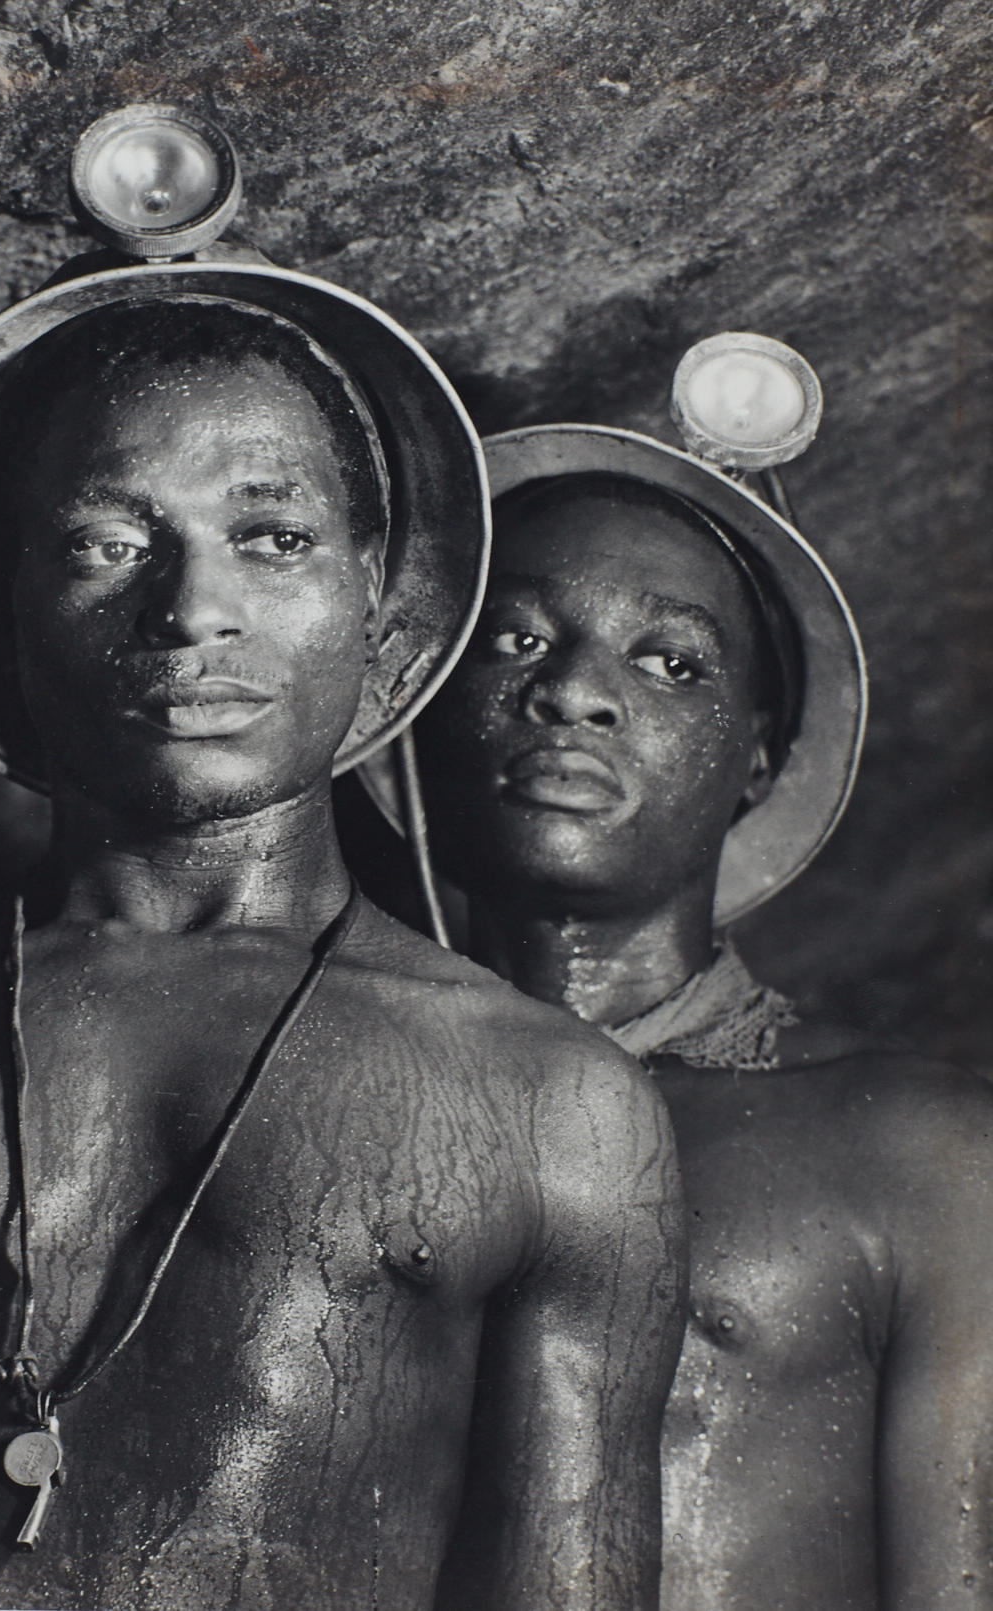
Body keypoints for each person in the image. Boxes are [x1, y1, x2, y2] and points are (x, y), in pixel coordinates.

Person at [0, 279, 685, 1611]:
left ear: (383, 607)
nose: (191, 605)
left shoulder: (555, 1106)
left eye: (272, 537)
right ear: (3, 605)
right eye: (104, 540)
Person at [399, 424, 993, 1610]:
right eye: (516, 639)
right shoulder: (320, 1099)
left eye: (672, 663)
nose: (573, 691)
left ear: (758, 762)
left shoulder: (921, 1153)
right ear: (412, 707)